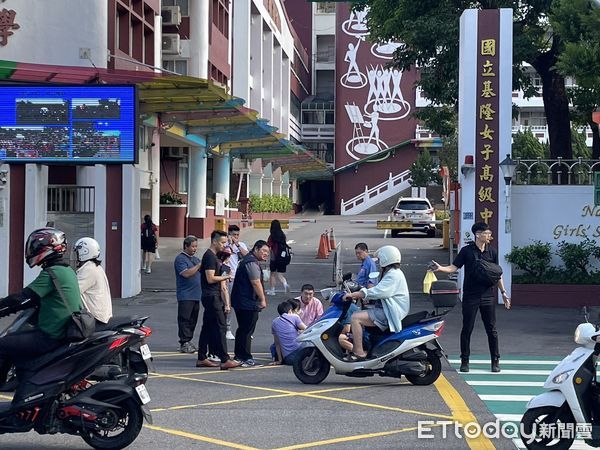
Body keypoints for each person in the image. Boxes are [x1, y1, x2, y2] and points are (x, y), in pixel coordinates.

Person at [0, 228, 81, 386]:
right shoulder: (66, 270)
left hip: (51, 335)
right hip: (61, 331)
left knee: (2, 344)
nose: (33, 250)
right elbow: (32, 299)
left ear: (47, 248)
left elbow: (23, 299)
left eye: (36, 246)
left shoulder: (52, 273)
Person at [432, 222, 511, 373]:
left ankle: (495, 361)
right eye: (486, 233)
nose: (489, 235)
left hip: (488, 296)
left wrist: (503, 292)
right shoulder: (466, 251)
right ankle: (465, 361)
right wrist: (440, 268)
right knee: (467, 328)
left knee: (492, 329)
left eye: (489, 233)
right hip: (470, 296)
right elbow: (454, 267)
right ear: (478, 234)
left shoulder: (492, 252)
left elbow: (497, 274)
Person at [343, 245, 410, 361]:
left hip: (390, 312)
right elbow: (380, 290)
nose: (378, 262)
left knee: (355, 318)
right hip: (388, 308)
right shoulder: (391, 273)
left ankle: (359, 352)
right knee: (363, 313)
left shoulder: (393, 275)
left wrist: (353, 294)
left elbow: (378, 291)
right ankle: (367, 345)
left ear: (385, 259)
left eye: (380, 259)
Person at [196, 230, 239, 370]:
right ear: (214, 241)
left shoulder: (213, 257)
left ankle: (202, 357)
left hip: (211, 296)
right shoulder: (209, 257)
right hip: (212, 296)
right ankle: (225, 359)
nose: (224, 245)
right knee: (221, 326)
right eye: (222, 242)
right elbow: (210, 278)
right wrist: (226, 277)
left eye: (225, 242)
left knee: (207, 327)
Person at [231, 240, 270, 367]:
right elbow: (255, 282)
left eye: (268, 252)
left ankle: (240, 356)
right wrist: (263, 299)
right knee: (246, 330)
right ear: (256, 249)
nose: (266, 254)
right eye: (264, 251)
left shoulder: (249, 258)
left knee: (243, 329)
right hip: (247, 302)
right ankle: (245, 357)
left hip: (242, 301)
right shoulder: (251, 263)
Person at [73, 237, 112, 324]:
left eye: (77, 252)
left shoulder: (88, 270)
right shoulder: (94, 266)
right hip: (100, 314)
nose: (76, 255)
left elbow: (73, 291)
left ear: (85, 252)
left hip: (94, 317)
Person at [174, 236, 202, 354]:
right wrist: (199, 266)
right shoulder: (180, 259)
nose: (195, 249)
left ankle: (188, 340)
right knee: (184, 319)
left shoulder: (195, 259)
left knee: (193, 320)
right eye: (193, 246)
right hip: (186, 295)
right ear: (186, 246)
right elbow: (186, 274)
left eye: (196, 246)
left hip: (196, 295)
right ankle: (184, 342)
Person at [225, 225, 248, 339]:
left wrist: (237, 245)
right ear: (229, 234)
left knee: (240, 304)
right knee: (228, 304)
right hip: (228, 278)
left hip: (238, 279)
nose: (236, 237)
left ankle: (243, 329)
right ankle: (227, 329)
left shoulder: (241, 245)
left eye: (237, 235)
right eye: (234, 235)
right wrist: (229, 244)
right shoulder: (225, 245)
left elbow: (247, 256)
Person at [271, 300, 307, 365]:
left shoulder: (274, 322)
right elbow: (307, 329)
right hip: (300, 350)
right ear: (290, 310)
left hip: (289, 358)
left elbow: (277, 344)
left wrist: (280, 361)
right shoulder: (294, 317)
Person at [267, 219, 290, 294]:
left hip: (274, 257)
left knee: (272, 274)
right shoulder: (282, 235)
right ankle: (285, 284)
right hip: (283, 257)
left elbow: (268, 246)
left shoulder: (272, 236)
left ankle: (272, 290)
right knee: (280, 274)